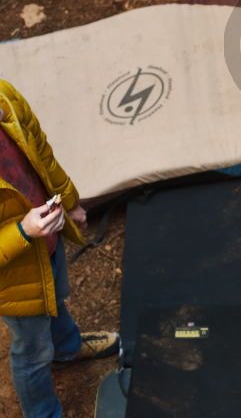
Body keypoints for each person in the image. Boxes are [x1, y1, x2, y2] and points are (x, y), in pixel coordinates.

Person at [0, 79, 119, 418]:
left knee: (55, 298)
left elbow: (40, 151)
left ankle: (67, 348)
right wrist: (23, 231)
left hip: (46, 243)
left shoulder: (4, 96)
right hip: (14, 278)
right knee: (32, 351)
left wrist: (69, 200)